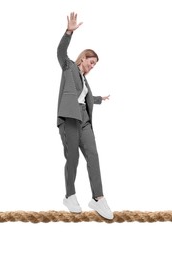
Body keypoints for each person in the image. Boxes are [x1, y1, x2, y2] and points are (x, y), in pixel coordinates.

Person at [56, 12, 113, 220]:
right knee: (72, 159)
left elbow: (85, 97)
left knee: (93, 156)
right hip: (70, 118)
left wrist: (99, 98)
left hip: (85, 121)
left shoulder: (85, 82)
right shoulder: (69, 67)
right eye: (91, 61)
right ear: (83, 58)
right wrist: (69, 32)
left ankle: (98, 198)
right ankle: (69, 196)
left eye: (95, 64)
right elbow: (61, 51)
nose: (92, 65)